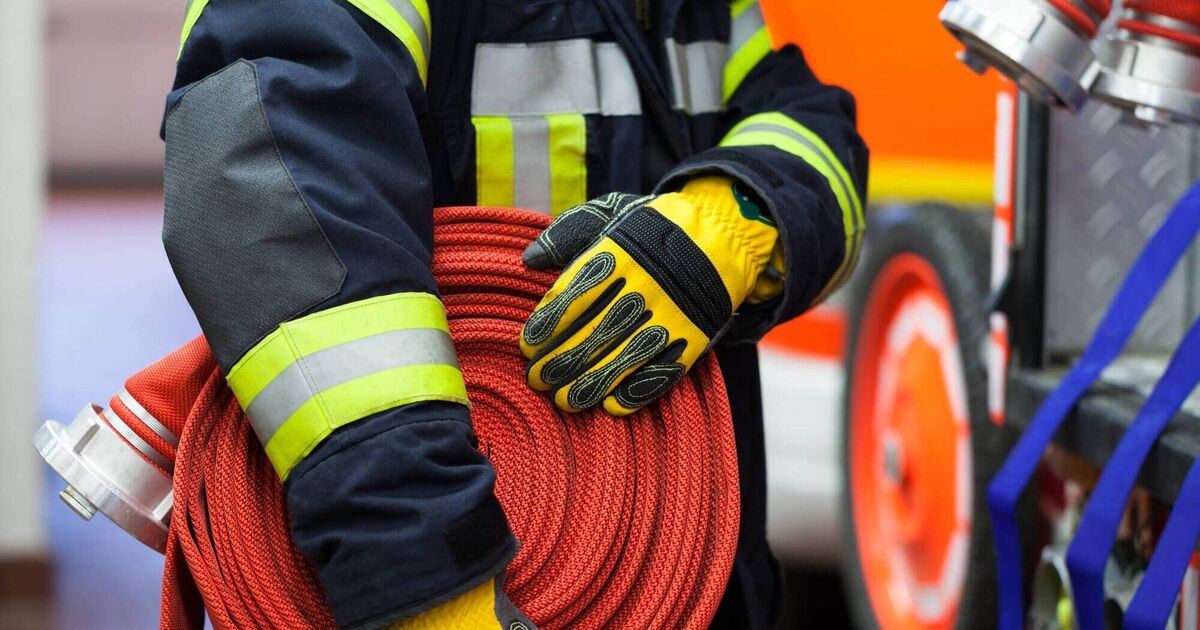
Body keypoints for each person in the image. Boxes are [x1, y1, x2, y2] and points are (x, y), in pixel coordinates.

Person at [161, 0, 867, 627]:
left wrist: (732, 214)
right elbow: (267, 194)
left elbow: (808, 121)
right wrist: (424, 574)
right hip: (433, 564)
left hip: (697, 568)